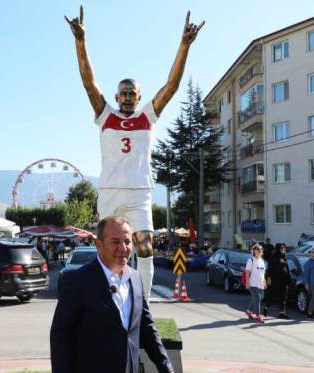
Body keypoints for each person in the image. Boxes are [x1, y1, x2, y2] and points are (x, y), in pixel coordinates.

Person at [65, 6, 204, 298]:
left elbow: (172, 85)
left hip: (140, 192)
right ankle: (107, 300)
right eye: (123, 93)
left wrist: (184, 46)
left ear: (139, 97)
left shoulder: (147, 117)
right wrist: (80, 42)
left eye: (133, 93)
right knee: (108, 249)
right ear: (116, 97)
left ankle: (143, 308)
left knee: (144, 250)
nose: (128, 97)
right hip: (111, 191)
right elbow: (88, 83)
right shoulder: (105, 116)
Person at [50, 216, 174, 373]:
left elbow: (147, 327)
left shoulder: (135, 278)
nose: (123, 248)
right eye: (115, 242)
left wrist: (166, 368)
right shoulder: (77, 280)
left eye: (127, 241)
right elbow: (61, 336)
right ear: (99, 245)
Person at [265, 243, 292, 319]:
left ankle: (282, 313)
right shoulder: (273, 258)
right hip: (275, 280)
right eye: (282, 248)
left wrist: (289, 279)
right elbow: (269, 269)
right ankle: (266, 308)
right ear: (278, 249)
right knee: (273, 297)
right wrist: (268, 278)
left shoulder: (284, 257)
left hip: (284, 280)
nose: (283, 249)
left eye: (284, 248)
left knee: (283, 297)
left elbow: (287, 269)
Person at [245, 244, 266, 323]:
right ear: (254, 251)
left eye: (260, 249)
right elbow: (247, 272)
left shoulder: (262, 261)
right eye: (257, 249)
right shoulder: (251, 260)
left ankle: (249, 311)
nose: (259, 250)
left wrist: (264, 282)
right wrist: (247, 282)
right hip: (253, 283)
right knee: (257, 298)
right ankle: (258, 316)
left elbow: (263, 273)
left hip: (260, 283)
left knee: (259, 298)